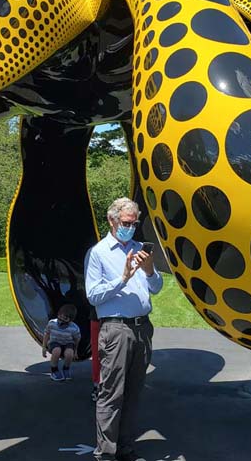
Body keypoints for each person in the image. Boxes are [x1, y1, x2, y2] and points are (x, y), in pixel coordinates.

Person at [85, 197, 163, 461]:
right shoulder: (99, 253)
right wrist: (122, 280)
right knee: (111, 394)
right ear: (112, 220)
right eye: (127, 222)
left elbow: (156, 288)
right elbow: (93, 295)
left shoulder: (141, 248)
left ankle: (126, 447)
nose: (131, 227)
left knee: (133, 393)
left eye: (134, 222)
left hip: (142, 329)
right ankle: (105, 453)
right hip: (116, 330)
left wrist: (150, 270)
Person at [42, 303, 81, 381]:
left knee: (69, 353)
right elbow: (47, 333)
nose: (61, 320)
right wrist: (44, 346)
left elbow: (77, 339)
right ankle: (54, 370)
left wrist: (75, 350)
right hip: (55, 341)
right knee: (56, 351)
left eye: (65, 318)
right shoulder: (52, 323)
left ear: (70, 320)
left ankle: (66, 368)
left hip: (67, 343)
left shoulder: (74, 328)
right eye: (60, 316)